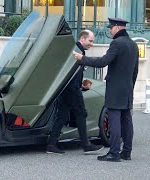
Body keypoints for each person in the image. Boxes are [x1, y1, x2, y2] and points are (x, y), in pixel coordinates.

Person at [73, 18, 139, 162]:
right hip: (127, 89)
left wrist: (82, 58)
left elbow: (103, 62)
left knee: (114, 120)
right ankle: (126, 153)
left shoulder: (116, 43)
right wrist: (130, 87)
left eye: (111, 28)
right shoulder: (133, 45)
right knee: (127, 121)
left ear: (117, 28)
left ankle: (114, 153)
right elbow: (135, 70)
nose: (109, 30)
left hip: (115, 89)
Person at [46, 30, 104, 155]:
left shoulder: (76, 50)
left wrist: (82, 85)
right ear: (82, 39)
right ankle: (86, 145)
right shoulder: (77, 51)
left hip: (65, 89)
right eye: (90, 41)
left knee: (61, 116)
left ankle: (51, 144)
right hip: (71, 90)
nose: (91, 44)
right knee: (81, 114)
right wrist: (77, 87)